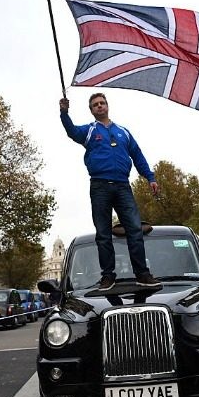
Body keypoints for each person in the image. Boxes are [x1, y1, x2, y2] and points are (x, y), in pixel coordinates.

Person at [60, 93, 160, 291]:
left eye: (102, 103)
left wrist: (150, 177)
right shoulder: (89, 131)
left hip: (123, 186)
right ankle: (108, 276)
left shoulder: (124, 132)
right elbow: (72, 132)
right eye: (95, 104)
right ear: (91, 110)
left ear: (107, 106)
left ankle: (142, 274)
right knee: (103, 234)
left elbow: (138, 155)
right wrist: (64, 113)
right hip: (99, 186)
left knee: (134, 230)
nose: (99, 106)